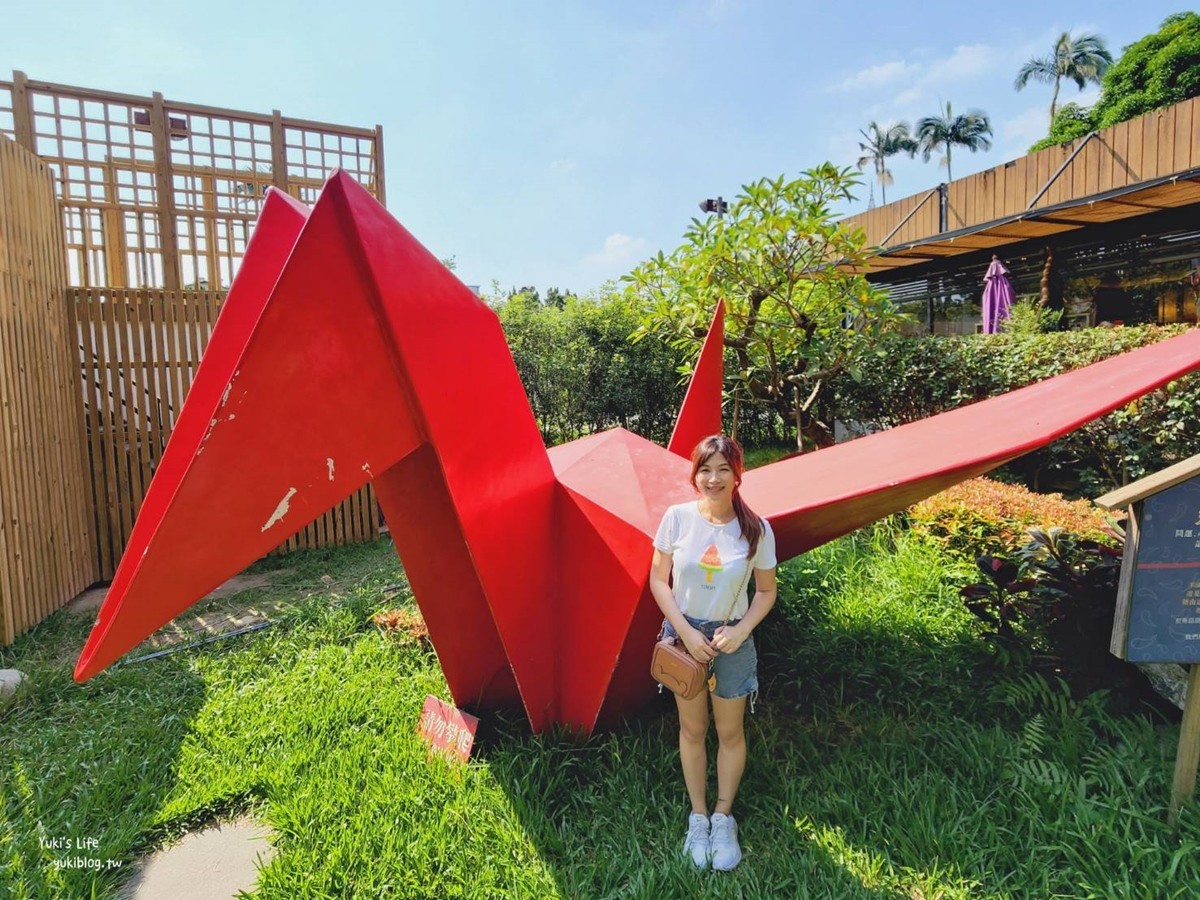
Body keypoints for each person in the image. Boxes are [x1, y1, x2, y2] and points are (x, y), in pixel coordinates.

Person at [649, 434, 778, 871]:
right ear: (695, 476)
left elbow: (766, 591)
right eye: (705, 469)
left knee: (730, 732)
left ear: (738, 474)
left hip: (731, 642)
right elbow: (657, 581)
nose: (714, 478)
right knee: (691, 729)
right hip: (686, 639)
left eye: (724, 469)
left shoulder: (757, 530)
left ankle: (724, 816)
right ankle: (698, 816)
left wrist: (741, 632)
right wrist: (684, 631)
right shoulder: (677, 518)